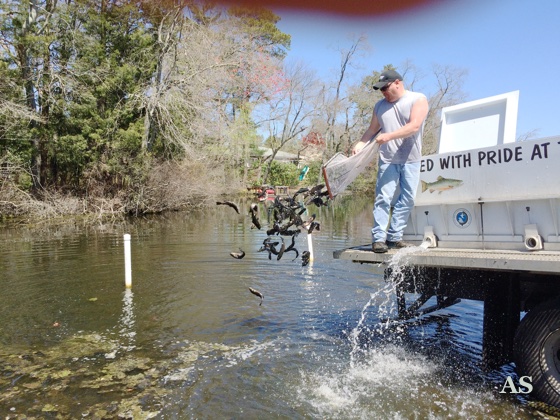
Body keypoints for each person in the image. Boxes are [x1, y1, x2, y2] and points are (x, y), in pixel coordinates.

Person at [352, 69, 429, 253]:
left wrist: (388, 136)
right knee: (383, 198)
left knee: (408, 198)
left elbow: (414, 126)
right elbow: (371, 130)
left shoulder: (417, 99)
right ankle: (378, 239)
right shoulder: (379, 106)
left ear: (397, 83)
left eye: (385, 88)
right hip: (387, 159)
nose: (383, 92)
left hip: (411, 159)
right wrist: (360, 143)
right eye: (380, 90)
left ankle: (394, 237)